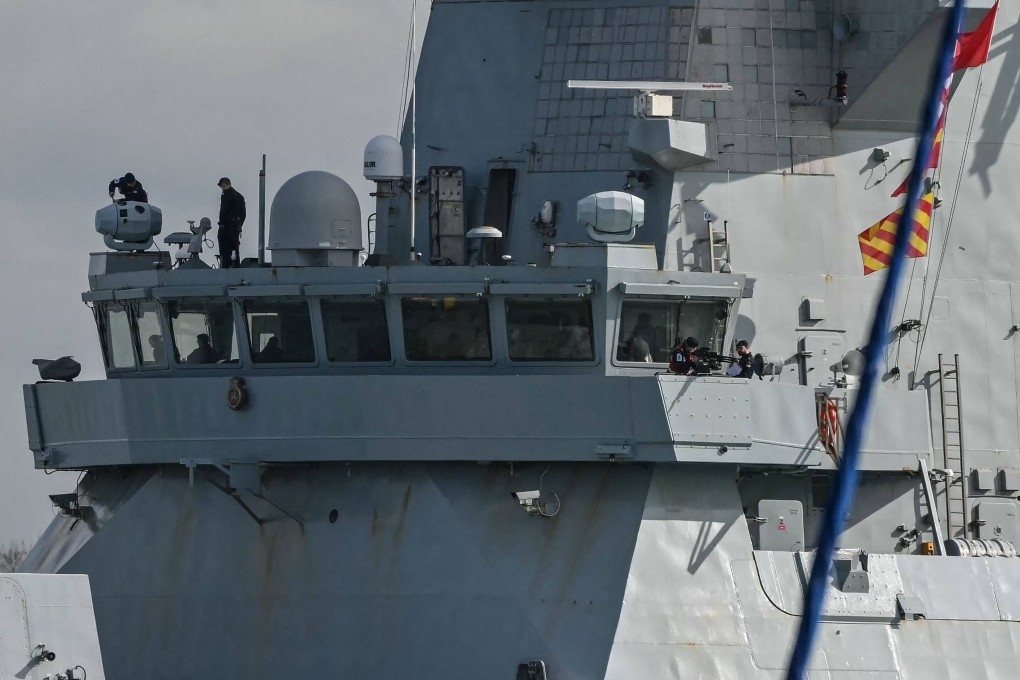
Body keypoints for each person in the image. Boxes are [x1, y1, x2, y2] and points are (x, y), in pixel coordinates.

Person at [217, 177, 246, 269]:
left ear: (224, 184)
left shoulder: (225, 195)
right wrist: (238, 225)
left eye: (222, 186)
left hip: (225, 228)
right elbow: (243, 214)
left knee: (225, 251)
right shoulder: (240, 197)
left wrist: (222, 224)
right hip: (235, 228)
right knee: (235, 250)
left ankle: (225, 267)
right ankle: (235, 266)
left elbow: (224, 212)